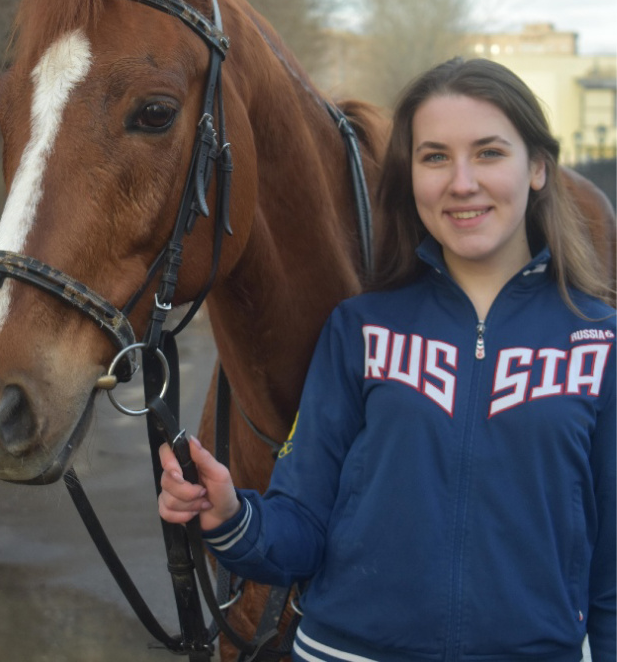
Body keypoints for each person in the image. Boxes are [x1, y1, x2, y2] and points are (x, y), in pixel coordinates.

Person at [159, 57, 616, 662]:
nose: (461, 182)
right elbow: (303, 526)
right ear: (411, 180)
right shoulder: (361, 328)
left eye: (488, 153)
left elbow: (610, 569)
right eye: (434, 157)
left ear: (536, 167)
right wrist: (229, 516)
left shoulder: (598, 344)